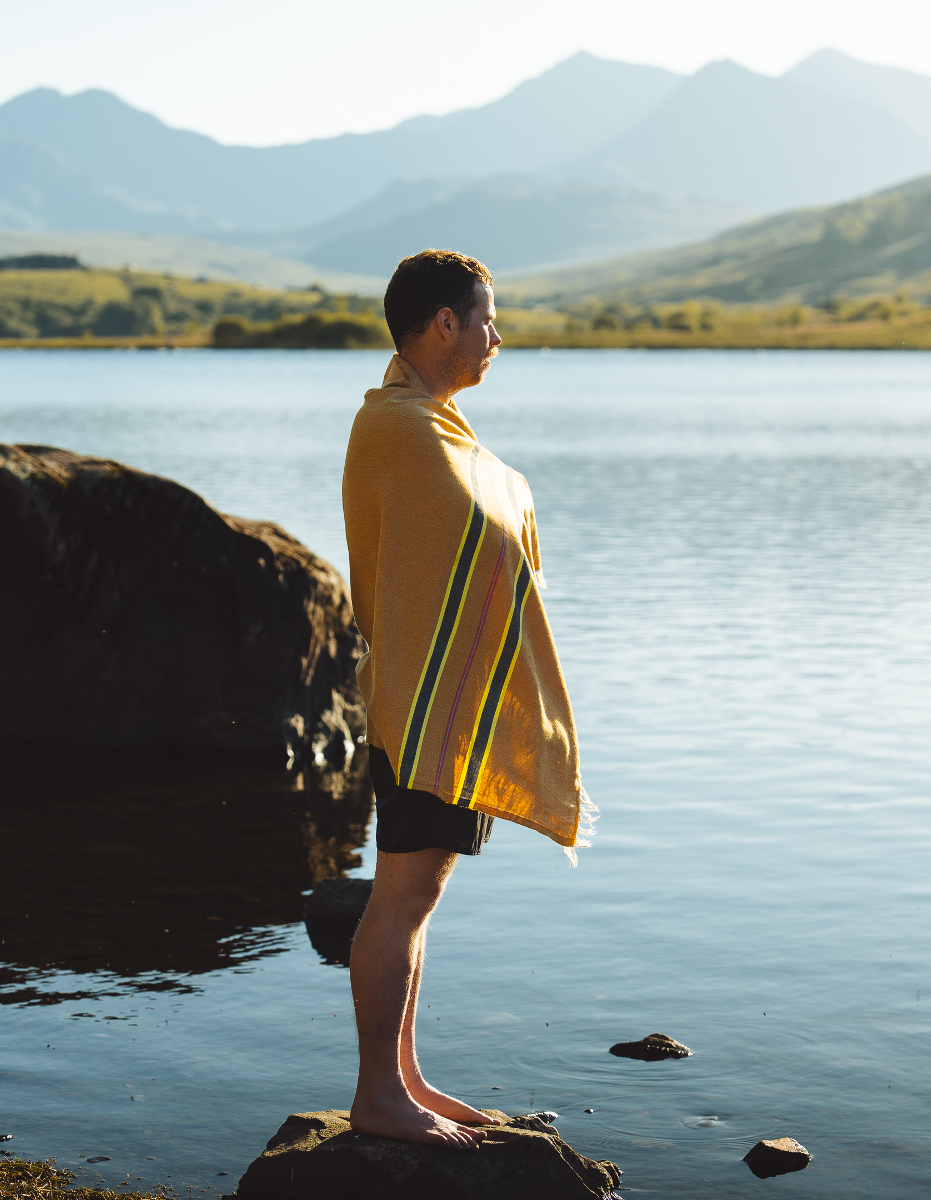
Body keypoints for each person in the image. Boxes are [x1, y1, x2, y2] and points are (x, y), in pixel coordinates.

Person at [341, 250, 595, 1148]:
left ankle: (404, 1076)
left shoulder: (435, 425)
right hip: (420, 709)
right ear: (442, 324)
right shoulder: (397, 428)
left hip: (448, 707)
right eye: (486, 319)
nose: (497, 336)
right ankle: (377, 1096)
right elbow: (460, 534)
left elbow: (481, 519)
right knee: (399, 897)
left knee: (420, 895)